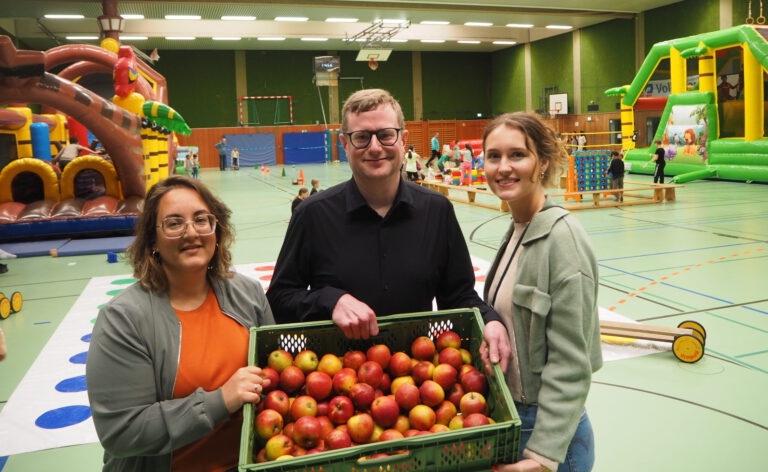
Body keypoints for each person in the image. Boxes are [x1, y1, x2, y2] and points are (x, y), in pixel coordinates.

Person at [267, 88, 504, 340]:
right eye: (361, 137)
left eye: (385, 135)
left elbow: (459, 296)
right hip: (336, 372)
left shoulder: (437, 210)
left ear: (403, 139)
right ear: (344, 143)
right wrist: (330, 300)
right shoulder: (312, 215)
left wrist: (489, 321)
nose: (375, 147)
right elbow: (279, 300)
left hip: (418, 372)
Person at [86, 176, 274, 472]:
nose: (191, 232)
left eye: (202, 219)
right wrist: (219, 402)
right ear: (153, 240)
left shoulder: (248, 294)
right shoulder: (124, 319)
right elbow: (121, 432)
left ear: (217, 229)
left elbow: (274, 377)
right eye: (174, 224)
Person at [479, 112, 602, 472]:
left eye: (518, 154)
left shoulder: (563, 239)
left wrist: (542, 459)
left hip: (547, 438)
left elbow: (571, 362)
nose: (503, 167)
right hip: (514, 421)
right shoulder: (519, 228)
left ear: (543, 162)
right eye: (493, 156)